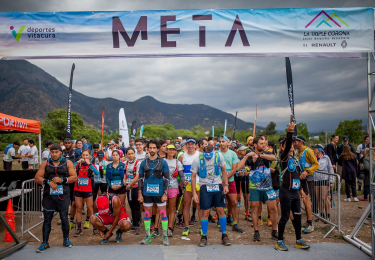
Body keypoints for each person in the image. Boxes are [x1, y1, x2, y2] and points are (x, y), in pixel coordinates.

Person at [34, 144, 77, 252]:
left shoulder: (68, 162)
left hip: (63, 195)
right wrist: (48, 182)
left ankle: (66, 240)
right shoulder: (46, 163)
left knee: (63, 218)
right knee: (47, 219)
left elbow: (74, 177)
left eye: (56, 152)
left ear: (60, 152)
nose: (54, 154)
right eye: (52, 152)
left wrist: (62, 180)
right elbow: (37, 177)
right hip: (49, 196)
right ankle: (45, 242)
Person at [275, 123, 310, 251]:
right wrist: (289, 132)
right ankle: (279, 241)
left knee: (298, 216)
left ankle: (298, 240)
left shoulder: (295, 159)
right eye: (288, 145)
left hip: (295, 192)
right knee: (285, 217)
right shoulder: (283, 158)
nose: (291, 146)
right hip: (285, 192)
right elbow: (289, 143)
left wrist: (301, 190)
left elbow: (296, 176)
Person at [238, 136, 277, 241]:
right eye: (261, 143)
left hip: (268, 186)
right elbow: (239, 167)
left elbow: (274, 158)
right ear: (255, 145)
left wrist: (259, 155)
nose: (263, 145)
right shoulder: (250, 156)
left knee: (273, 208)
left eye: (264, 143)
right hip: (254, 187)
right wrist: (247, 156)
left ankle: (274, 231)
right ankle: (256, 232)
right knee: (254, 209)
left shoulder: (267, 153)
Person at [191, 145, 231, 246]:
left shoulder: (219, 156)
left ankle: (224, 235)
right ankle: (204, 236)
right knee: (205, 212)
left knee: (221, 210)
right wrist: (194, 193)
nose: (208, 159)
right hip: (204, 186)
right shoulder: (197, 160)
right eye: (206, 157)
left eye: (210, 157)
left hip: (217, 185)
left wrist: (226, 185)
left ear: (213, 152)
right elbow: (193, 176)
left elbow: (223, 170)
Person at [138, 140, 170, 246]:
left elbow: (167, 179)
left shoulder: (163, 162)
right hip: (146, 192)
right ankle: (147, 236)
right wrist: (139, 194)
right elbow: (140, 179)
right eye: (150, 148)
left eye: (154, 148)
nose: (152, 150)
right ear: (147, 149)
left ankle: (165, 236)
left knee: (163, 213)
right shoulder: (143, 162)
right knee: (147, 214)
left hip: (160, 192)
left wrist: (165, 193)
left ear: (157, 149)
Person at [293, 135, 319, 234]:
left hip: (307, 178)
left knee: (306, 200)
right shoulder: (298, 152)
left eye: (295, 142)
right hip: (301, 179)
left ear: (301, 142)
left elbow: (316, 164)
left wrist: (307, 171)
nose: (294, 143)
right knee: (304, 200)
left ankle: (310, 223)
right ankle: (307, 221)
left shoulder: (308, 151)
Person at [218, 136, 244, 233]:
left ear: (228, 143)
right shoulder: (216, 154)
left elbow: (234, 169)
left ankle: (235, 223)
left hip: (230, 180)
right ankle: (222, 222)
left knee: (234, 202)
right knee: (222, 203)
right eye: (220, 142)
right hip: (219, 181)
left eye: (223, 141)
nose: (221, 143)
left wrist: (225, 179)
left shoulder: (232, 154)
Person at [73, 149, 99, 237]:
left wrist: (90, 164)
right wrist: (77, 162)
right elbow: (69, 167)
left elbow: (97, 172)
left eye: (86, 155)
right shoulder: (78, 165)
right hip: (78, 190)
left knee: (90, 208)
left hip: (88, 190)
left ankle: (94, 228)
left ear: (90, 156)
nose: (85, 157)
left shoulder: (91, 165)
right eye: (83, 155)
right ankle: (79, 229)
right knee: (79, 208)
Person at [178, 138, 200, 237]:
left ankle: (201, 226)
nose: (190, 146)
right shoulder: (182, 156)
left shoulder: (200, 155)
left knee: (199, 205)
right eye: (188, 144)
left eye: (192, 144)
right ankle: (187, 227)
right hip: (187, 184)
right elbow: (179, 170)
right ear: (186, 145)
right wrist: (181, 180)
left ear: (196, 145)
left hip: (198, 183)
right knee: (186, 205)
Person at [165, 144, 186, 237]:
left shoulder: (177, 162)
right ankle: (164, 226)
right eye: (169, 150)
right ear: (167, 151)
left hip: (173, 187)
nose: (171, 151)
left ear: (175, 152)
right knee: (164, 208)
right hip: (163, 187)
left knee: (172, 208)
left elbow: (181, 175)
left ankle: (170, 227)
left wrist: (183, 181)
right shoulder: (162, 161)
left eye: (173, 150)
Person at [312, 144, 334, 221]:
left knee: (324, 197)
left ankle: (328, 215)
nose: (314, 150)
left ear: (319, 149)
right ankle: (321, 215)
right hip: (315, 179)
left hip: (324, 179)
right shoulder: (313, 158)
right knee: (319, 198)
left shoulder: (326, 158)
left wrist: (331, 181)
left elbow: (330, 169)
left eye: (315, 148)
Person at [62, 138, 80, 230]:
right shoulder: (62, 153)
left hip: (73, 178)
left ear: (72, 144)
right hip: (64, 179)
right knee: (64, 198)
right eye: (66, 143)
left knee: (74, 200)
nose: (67, 144)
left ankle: (73, 218)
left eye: (69, 143)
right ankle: (64, 217)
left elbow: (78, 164)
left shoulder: (76, 153)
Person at [124, 148, 141, 235]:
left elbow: (137, 176)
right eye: (129, 154)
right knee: (131, 205)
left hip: (135, 187)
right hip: (128, 187)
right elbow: (124, 173)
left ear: (134, 154)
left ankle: (137, 225)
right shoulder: (126, 163)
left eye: (132, 153)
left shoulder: (138, 163)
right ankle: (133, 223)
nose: (130, 155)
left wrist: (130, 185)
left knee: (136, 206)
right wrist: (124, 180)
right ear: (126, 154)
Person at [235, 145, 250, 219]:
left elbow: (250, 167)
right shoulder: (236, 159)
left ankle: (247, 212)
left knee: (247, 197)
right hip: (237, 179)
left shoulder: (247, 159)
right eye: (243, 150)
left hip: (246, 179)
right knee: (237, 197)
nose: (245, 151)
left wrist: (248, 170)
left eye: (245, 150)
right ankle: (234, 213)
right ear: (239, 151)